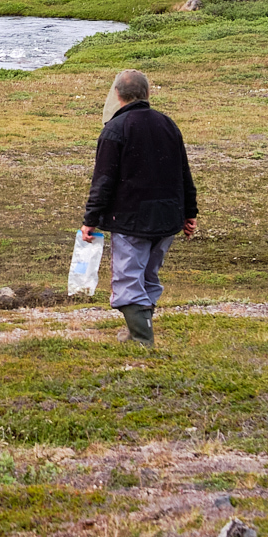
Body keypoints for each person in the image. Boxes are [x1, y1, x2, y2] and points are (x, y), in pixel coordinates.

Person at [81, 69, 198, 346]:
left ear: (118, 95)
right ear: (147, 94)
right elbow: (184, 173)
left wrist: (90, 219)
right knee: (148, 276)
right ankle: (136, 332)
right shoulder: (168, 124)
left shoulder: (115, 129)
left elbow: (103, 180)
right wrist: (189, 213)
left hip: (131, 219)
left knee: (128, 278)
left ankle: (142, 340)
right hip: (168, 218)